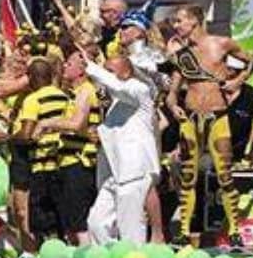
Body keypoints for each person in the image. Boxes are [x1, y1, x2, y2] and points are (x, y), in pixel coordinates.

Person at [166, 4, 251, 247]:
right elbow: (172, 92)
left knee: (225, 175)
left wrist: (238, 82)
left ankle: (235, 230)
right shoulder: (183, 54)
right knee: (188, 176)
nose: (176, 26)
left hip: (218, 116)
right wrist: (173, 107)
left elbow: (252, 59)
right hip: (191, 118)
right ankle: (183, 231)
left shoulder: (221, 43)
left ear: (195, 21)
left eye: (179, 20)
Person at [85, 54, 160, 244]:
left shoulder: (139, 89)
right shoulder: (114, 104)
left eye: (110, 71)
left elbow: (119, 87)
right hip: (113, 173)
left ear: (126, 73)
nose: (105, 76)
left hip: (134, 170)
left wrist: (91, 67)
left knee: (130, 228)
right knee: (96, 222)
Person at [34, 50, 101, 245]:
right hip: (66, 162)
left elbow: (77, 124)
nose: (64, 66)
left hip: (79, 164)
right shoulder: (73, 94)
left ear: (82, 70)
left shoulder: (86, 91)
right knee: (70, 223)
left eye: (69, 63)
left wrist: (48, 123)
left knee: (79, 223)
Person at [12, 58, 69, 243]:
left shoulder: (32, 100)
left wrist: (8, 137)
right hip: (61, 162)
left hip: (41, 165)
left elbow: (27, 134)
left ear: (31, 77)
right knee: (60, 217)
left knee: (40, 219)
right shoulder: (64, 96)